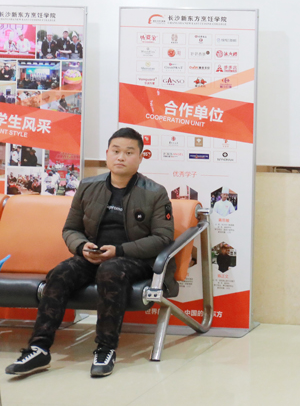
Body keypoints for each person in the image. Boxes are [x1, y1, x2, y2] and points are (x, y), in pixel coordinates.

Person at [5, 128, 174, 378]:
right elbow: (71, 229)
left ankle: (106, 349)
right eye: (116, 151)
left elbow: (162, 238)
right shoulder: (87, 186)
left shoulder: (155, 192)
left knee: (110, 269)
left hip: (133, 260)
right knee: (60, 273)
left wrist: (119, 250)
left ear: (140, 158)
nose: (121, 157)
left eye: (129, 152)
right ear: (107, 154)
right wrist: (81, 246)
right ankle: (39, 348)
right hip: (92, 256)